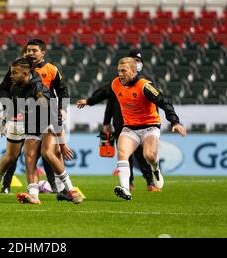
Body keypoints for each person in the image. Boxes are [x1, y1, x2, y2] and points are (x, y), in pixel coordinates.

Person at [76, 57, 186, 200]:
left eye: (124, 71)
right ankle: (125, 189)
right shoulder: (116, 83)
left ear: (133, 71)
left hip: (150, 126)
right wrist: (89, 101)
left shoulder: (145, 86)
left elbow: (164, 102)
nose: (120, 74)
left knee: (149, 156)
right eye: (119, 71)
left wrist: (175, 122)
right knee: (122, 153)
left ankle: (155, 169)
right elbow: (103, 92)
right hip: (129, 128)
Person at [0, 57, 83, 204]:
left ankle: (71, 190)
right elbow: (13, 107)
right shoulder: (15, 88)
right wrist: (2, 121)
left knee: (47, 153)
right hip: (31, 125)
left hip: (49, 123)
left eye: (15, 73)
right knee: (29, 157)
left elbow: (53, 115)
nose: (11, 76)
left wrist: (62, 144)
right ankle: (34, 195)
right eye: (11, 72)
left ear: (26, 74)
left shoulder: (38, 91)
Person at [103, 49, 160, 192]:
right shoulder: (118, 81)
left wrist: (154, 123)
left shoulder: (146, 80)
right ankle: (128, 184)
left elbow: (155, 101)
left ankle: (150, 182)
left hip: (142, 122)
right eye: (134, 59)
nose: (137, 62)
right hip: (120, 121)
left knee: (143, 154)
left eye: (139, 60)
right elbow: (110, 103)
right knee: (124, 154)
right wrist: (106, 122)